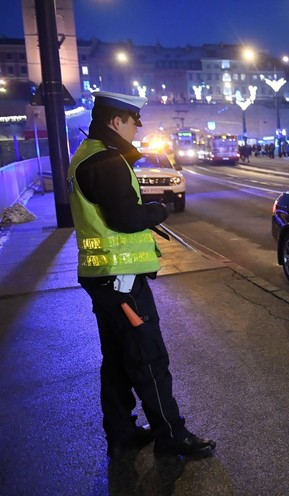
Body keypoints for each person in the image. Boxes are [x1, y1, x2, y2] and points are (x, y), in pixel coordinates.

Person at [67, 91, 216, 460]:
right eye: (135, 121)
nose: (138, 128)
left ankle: (121, 434)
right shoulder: (107, 160)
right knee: (148, 357)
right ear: (116, 121)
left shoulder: (86, 155)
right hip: (121, 280)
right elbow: (126, 218)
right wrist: (157, 210)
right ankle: (171, 435)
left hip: (101, 274)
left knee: (118, 358)